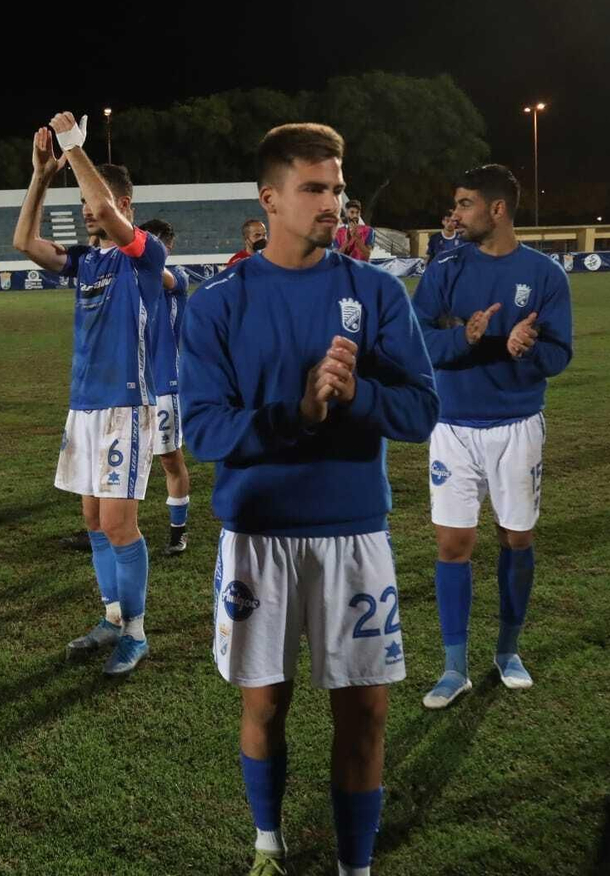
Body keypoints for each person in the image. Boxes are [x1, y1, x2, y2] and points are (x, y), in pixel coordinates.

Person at [182, 122, 438, 876]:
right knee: (264, 701)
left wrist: (356, 395)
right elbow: (203, 428)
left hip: (353, 530)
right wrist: (297, 415)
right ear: (270, 199)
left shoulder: (375, 290)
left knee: (365, 709)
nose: (333, 201)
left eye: (337, 187)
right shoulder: (217, 304)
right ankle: (268, 843)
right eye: (315, 188)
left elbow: (422, 410)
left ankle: (355, 866)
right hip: (258, 530)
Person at [412, 165, 573, 708]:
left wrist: (525, 350)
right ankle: (453, 667)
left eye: (465, 203)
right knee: (453, 544)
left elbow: (559, 356)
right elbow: (418, 341)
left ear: (497, 209)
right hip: (453, 425)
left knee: (516, 538)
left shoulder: (546, 276)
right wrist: (466, 337)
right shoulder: (446, 265)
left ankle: (507, 651)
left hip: (516, 426)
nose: (455, 214)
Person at [13, 114, 166, 678]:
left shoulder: (144, 256)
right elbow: (24, 241)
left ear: (123, 201)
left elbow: (102, 210)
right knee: (94, 521)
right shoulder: (86, 262)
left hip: (126, 406)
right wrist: (39, 176)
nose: (85, 209)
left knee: (122, 525)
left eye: (93, 198)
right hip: (83, 406)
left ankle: (136, 630)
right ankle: (110, 616)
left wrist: (75, 148)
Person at [139, 218, 192, 554]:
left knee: (169, 458)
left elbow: (163, 275)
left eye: (156, 242)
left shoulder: (178, 277)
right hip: (130, 383)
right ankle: (103, 529)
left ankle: (178, 532)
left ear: (168, 246)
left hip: (165, 383)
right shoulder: (131, 279)